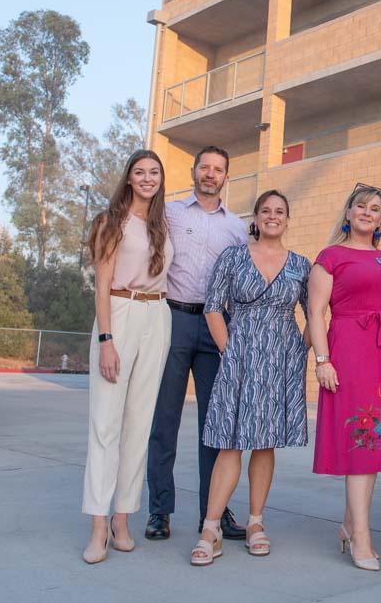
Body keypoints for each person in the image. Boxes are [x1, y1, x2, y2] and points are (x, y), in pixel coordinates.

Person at [191, 190, 311, 566]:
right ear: (255, 218)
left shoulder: (301, 265)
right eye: (266, 211)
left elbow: (317, 312)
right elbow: (212, 307)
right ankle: (211, 528)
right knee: (230, 442)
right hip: (239, 356)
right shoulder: (233, 257)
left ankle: (256, 522)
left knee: (265, 443)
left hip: (280, 360)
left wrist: (300, 349)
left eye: (280, 211)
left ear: (287, 219)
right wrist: (229, 350)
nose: (273, 216)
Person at [146, 146, 249, 544]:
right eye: (204, 167)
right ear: (193, 171)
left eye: (218, 169)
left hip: (216, 326)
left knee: (216, 425)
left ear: (226, 177)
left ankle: (216, 512)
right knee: (164, 421)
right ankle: (160, 510)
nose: (210, 174)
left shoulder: (238, 229)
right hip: (172, 319)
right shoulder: (169, 213)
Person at [308, 183, 381, 572]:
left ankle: (350, 524)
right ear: (348, 213)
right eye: (362, 206)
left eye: (376, 208)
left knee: (377, 444)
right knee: (362, 442)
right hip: (350, 352)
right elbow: (316, 312)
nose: (368, 212)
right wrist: (323, 360)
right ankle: (362, 537)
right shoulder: (330, 257)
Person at [82, 150, 173, 564]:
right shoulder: (110, 222)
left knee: (139, 425)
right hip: (119, 312)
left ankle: (123, 517)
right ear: (129, 178)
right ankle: (98, 524)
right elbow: (102, 284)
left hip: (158, 314)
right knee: (106, 425)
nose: (148, 178)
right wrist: (106, 339)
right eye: (140, 172)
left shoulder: (162, 225)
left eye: (154, 172)